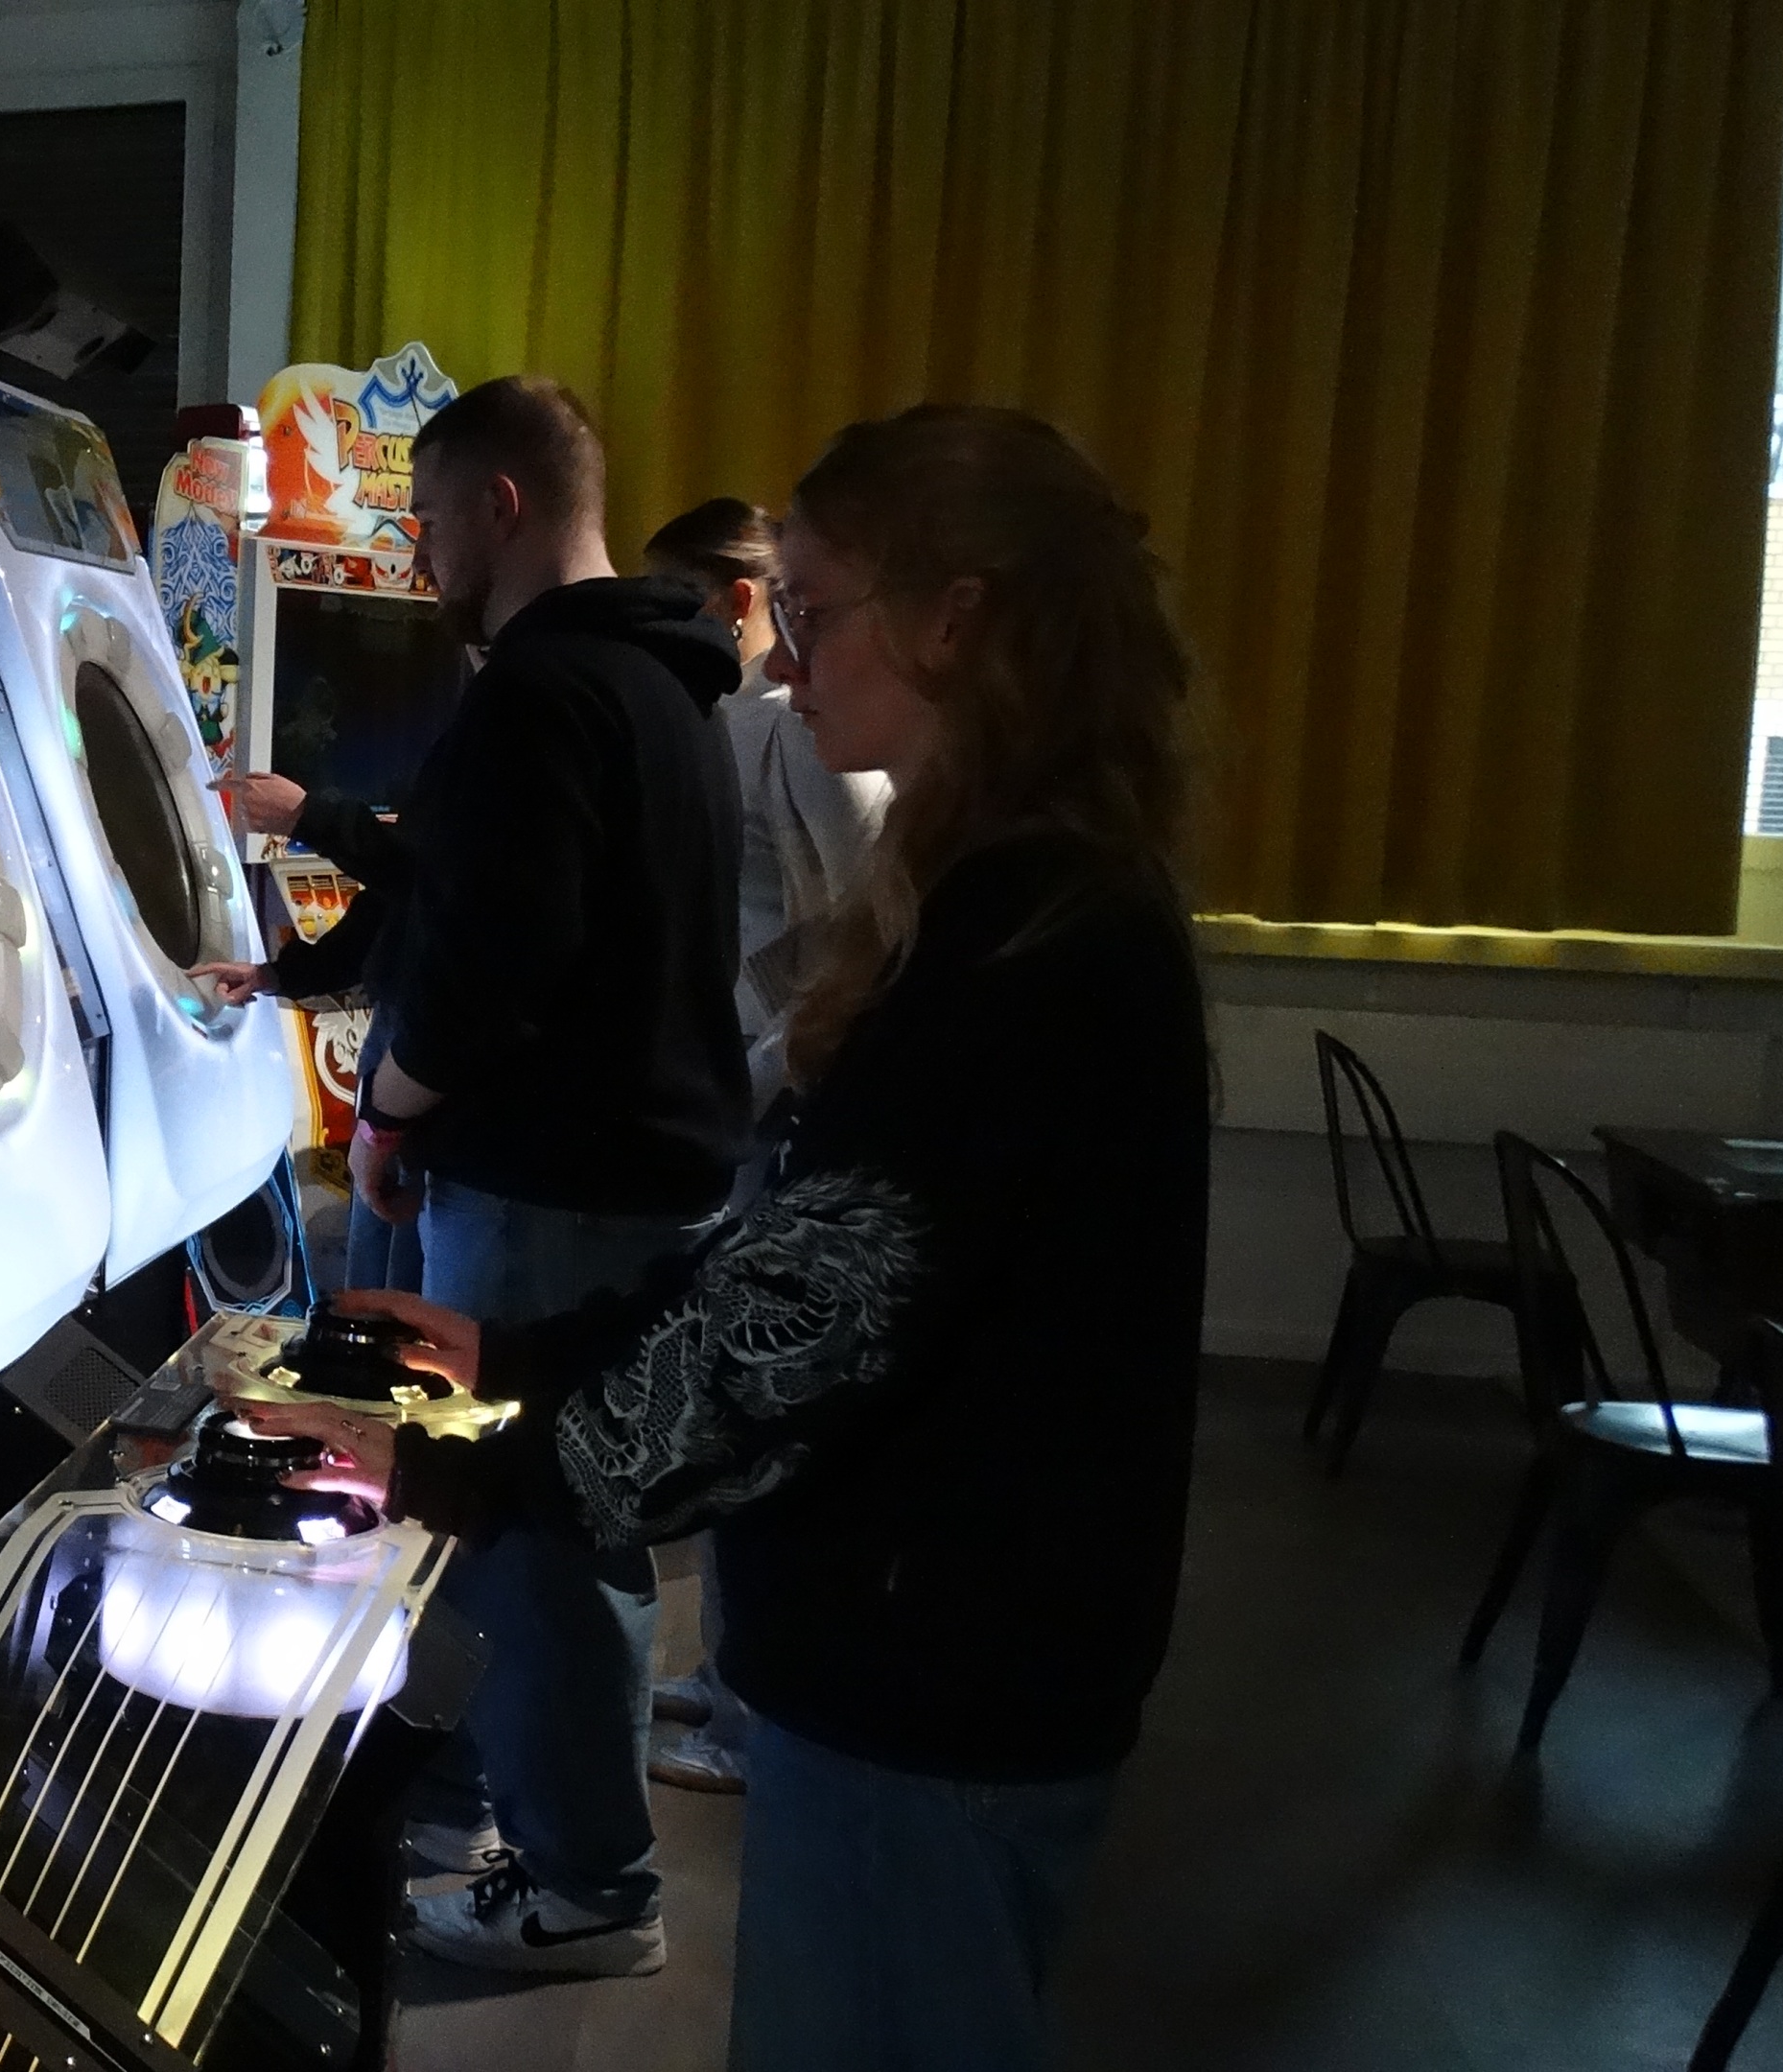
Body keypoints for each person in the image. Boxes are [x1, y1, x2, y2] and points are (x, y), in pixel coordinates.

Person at [236, 404, 1209, 2070]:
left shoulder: (1030, 944)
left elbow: (792, 1341)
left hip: (936, 1679)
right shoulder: (1028, 890)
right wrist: (507, 1355)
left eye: (815, 610)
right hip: (948, 1654)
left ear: (957, 618)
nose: (787, 657)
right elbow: (818, 1264)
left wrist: (453, 1452)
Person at [197, 374, 751, 1977]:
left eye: (431, 520)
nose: (420, 555)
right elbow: (451, 887)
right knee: (573, 1516)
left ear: (502, 506)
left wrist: (387, 1111)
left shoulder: (545, 692)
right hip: (627, 1169)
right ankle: (540, 1825)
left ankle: (587, 1888)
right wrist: (295, 982)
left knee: (536, 1531)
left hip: (548, 1177)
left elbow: (492, 960)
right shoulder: (665, 682)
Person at [635, 497, 888, 1797]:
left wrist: (762, 1072)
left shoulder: (808, 735)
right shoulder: (738, 723)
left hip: (766, 1094)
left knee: (748, 1397)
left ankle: (742, 1713)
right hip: (732, 1081)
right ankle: (724, 1673)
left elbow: (860, 926)